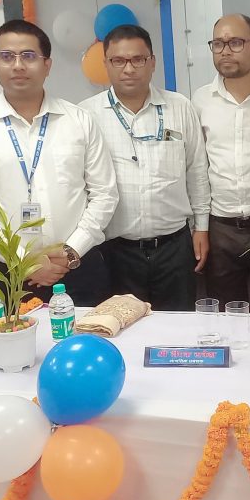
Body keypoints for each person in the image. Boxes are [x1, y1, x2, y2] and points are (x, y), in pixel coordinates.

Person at [0, 20, 116, 306]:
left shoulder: (79, 121)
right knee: (15, 337)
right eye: (7, 56)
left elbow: (105, 194)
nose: (18, 65)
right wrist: (23, 260)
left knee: (86, 334)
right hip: (9, 273)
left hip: (77, 266)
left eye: (28, 56)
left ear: (47, 65)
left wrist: (71, 251)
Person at [81, 24, 209, 311]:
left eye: (138, 59)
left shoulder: (179, 106)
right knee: (123, 327)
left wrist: (201, 228)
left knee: (179, 327)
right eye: (118, 60)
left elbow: (197, 171)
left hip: (175, 247)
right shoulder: (86, 115)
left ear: (152, 62)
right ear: (106, 64)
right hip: (116, 251)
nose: (129, 69)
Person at [192, 14, 250, 312]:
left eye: (235, 43)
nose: (225, 51)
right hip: (221, 229)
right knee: (226, 316)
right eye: (218, 44)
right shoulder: (201, 100)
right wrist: (200, 227)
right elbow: (198, 168)